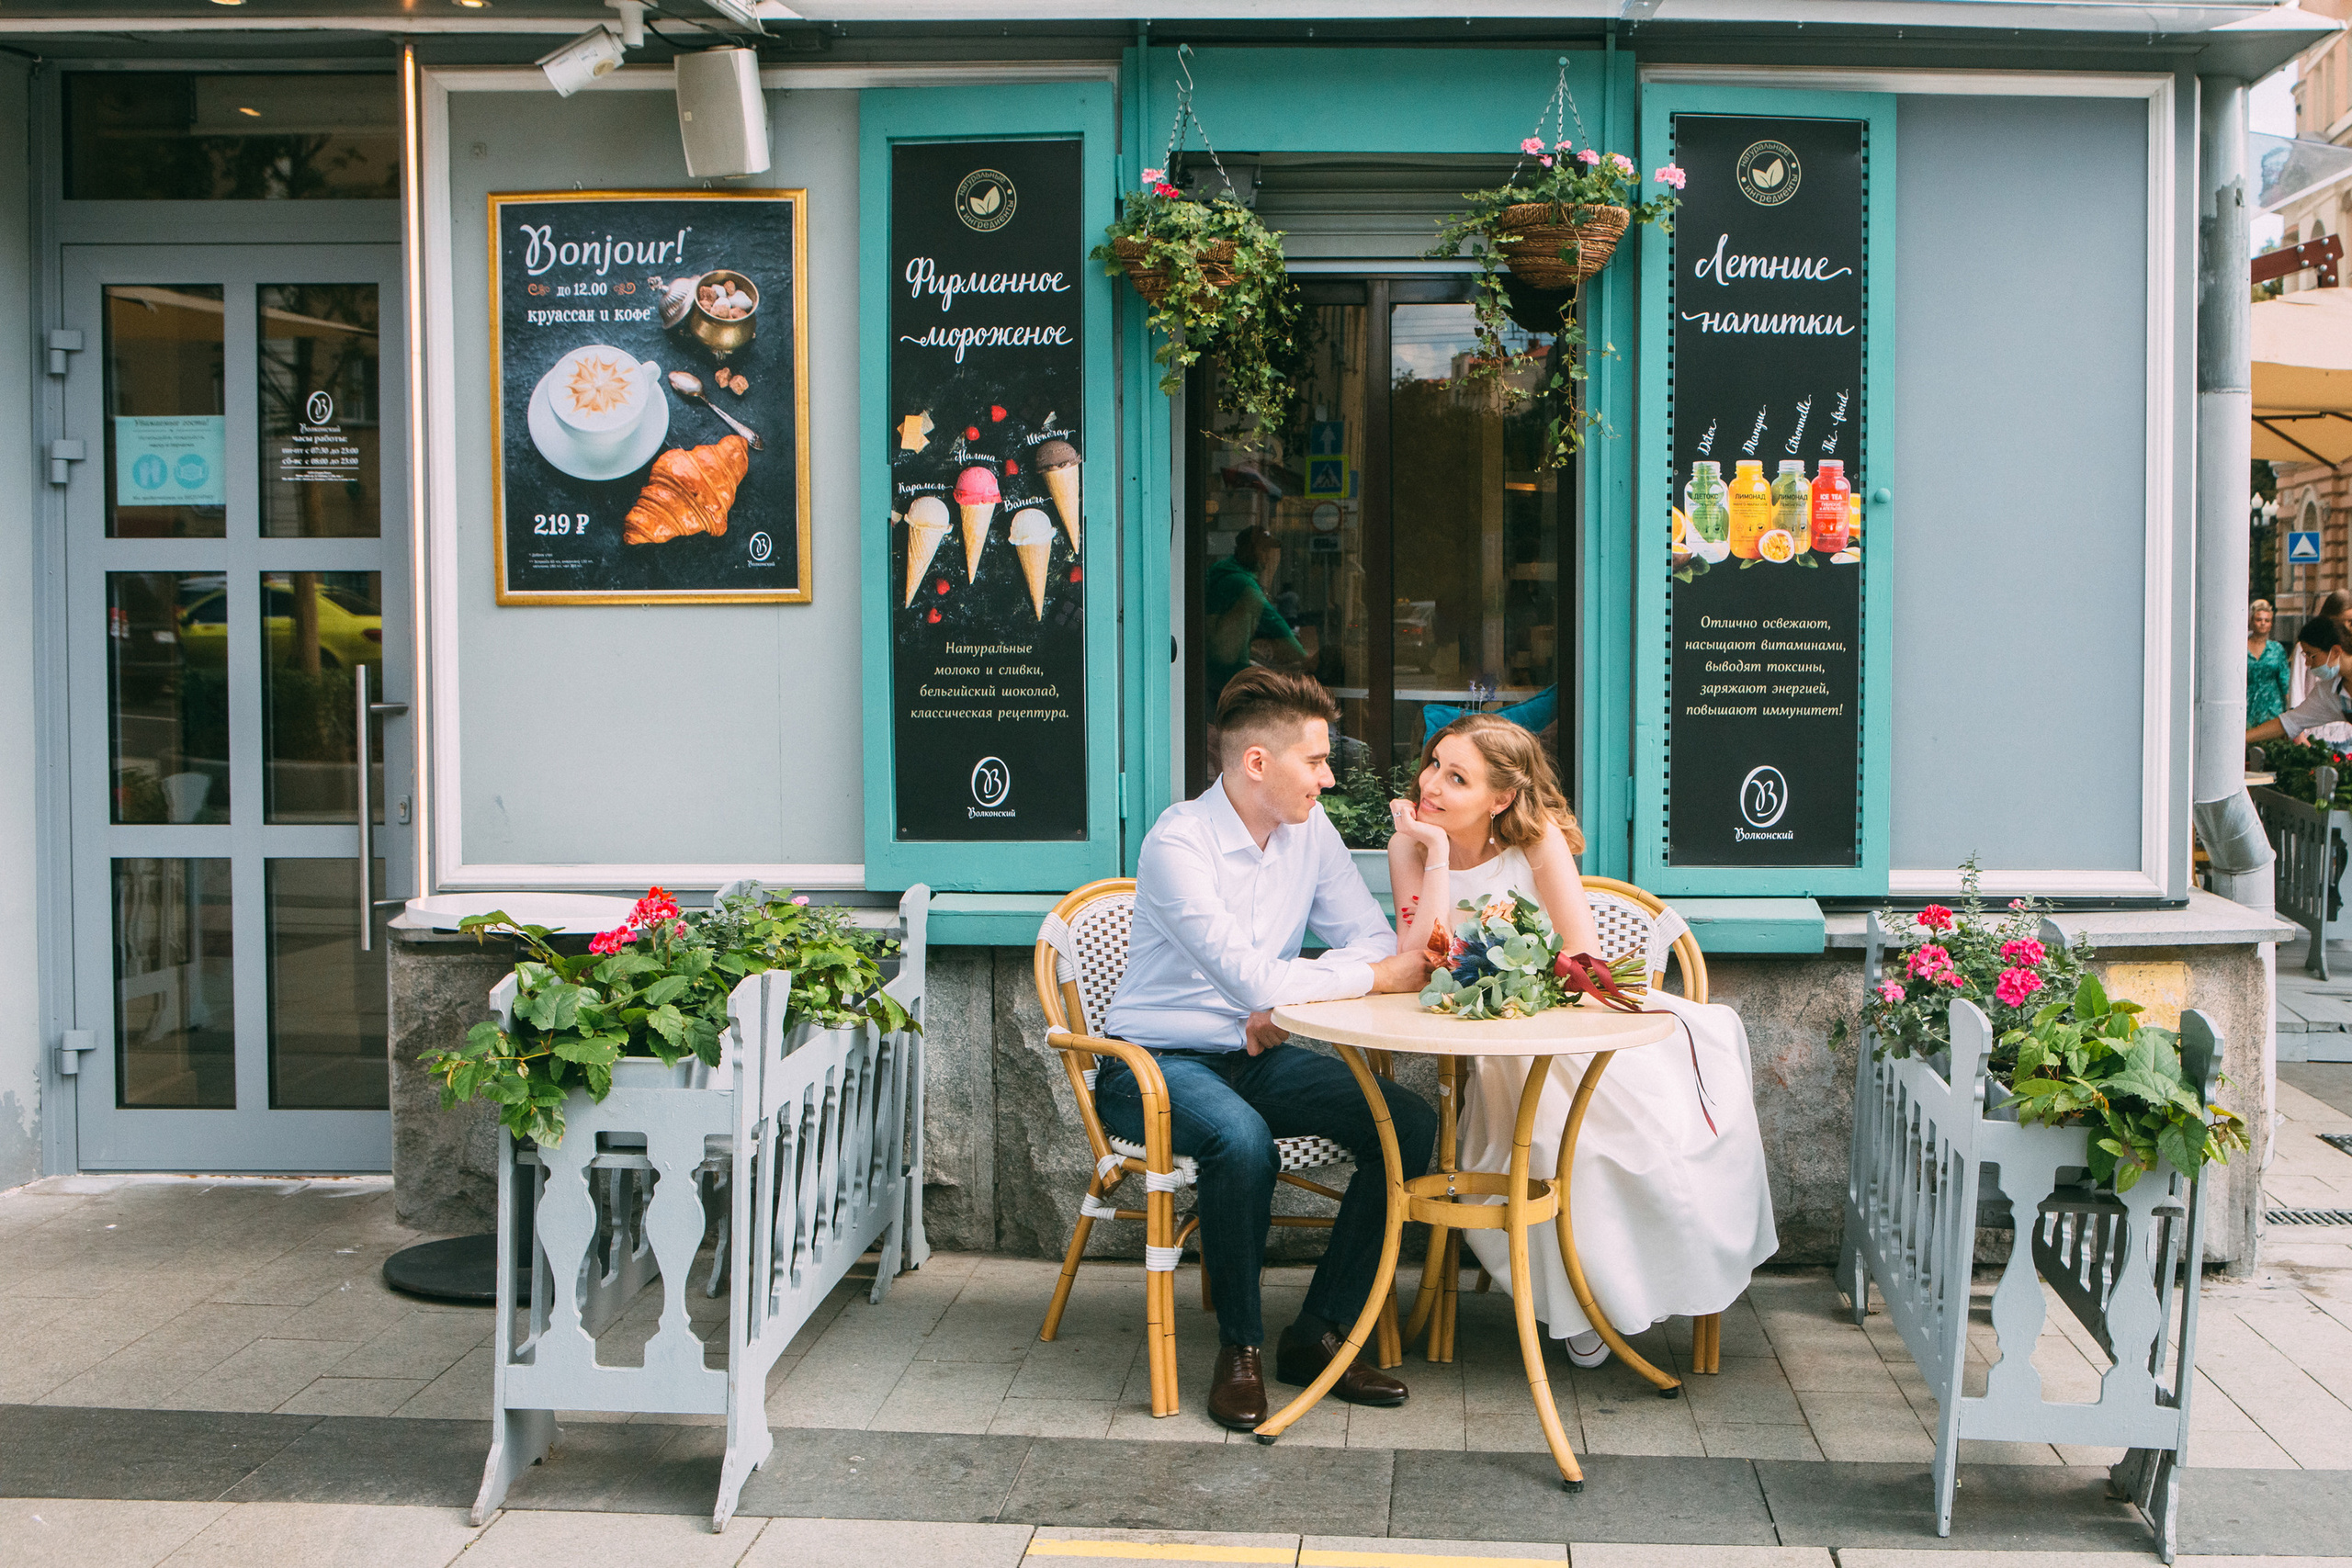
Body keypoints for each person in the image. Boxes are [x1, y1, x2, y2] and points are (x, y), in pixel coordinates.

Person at [1098, 669, 1442, 1431]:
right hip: (1151, 1064)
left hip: (1254, 1053)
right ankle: (1240, 1348)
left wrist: (1285, 1004)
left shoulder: (1308, 833)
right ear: (1258, 762)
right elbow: (1265, 976)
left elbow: (1372, 939)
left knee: (1407, 1122)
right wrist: (1312, 988)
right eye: (1315, 760)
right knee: (1243, 1140)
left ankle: (1318, 1331)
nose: (1328, 777)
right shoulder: (1178, 842)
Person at [1384, 714, 1778, 1366]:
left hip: (1570, 1017)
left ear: (1501, 797)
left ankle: (1616, 1294)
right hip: (1496, 1043)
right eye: (1433, 765)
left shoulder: (1537, 840)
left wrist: (1523, 983)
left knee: (1627, 1143)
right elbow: (1418, 958)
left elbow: (1582, 955)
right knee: (1543, 1147)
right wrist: (1438, 855)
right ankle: (1578, 1299)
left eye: (1457, 777)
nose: (1431, 784)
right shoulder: (1412, 847)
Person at [1203, 525, 1312, 713]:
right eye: (1262, 550)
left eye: (1269, 551)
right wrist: (1305, 658)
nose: (1267, 557)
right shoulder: (1242, 583)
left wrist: (1250, 649)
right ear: (1246, 550)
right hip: (1226, 674)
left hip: (1214, 670)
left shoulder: (1224, 573)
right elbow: (1274, 623)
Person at [2250, 616, 2352, 743]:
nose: (2308, 663)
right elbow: (2290, 722)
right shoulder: (2329, 691)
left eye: (2311, 655)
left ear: (2336, 651)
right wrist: (2242, 738)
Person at [2248, 600, 2290, 731]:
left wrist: (2290, 709)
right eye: (2258, 619)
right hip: (2247, 707)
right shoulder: (2241, 648)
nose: (2263, 623)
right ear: (2251, 621)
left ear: (2271, 624)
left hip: (2272, 708)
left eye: (2267, 620)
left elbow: (2285, 681)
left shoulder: (2277, 649)